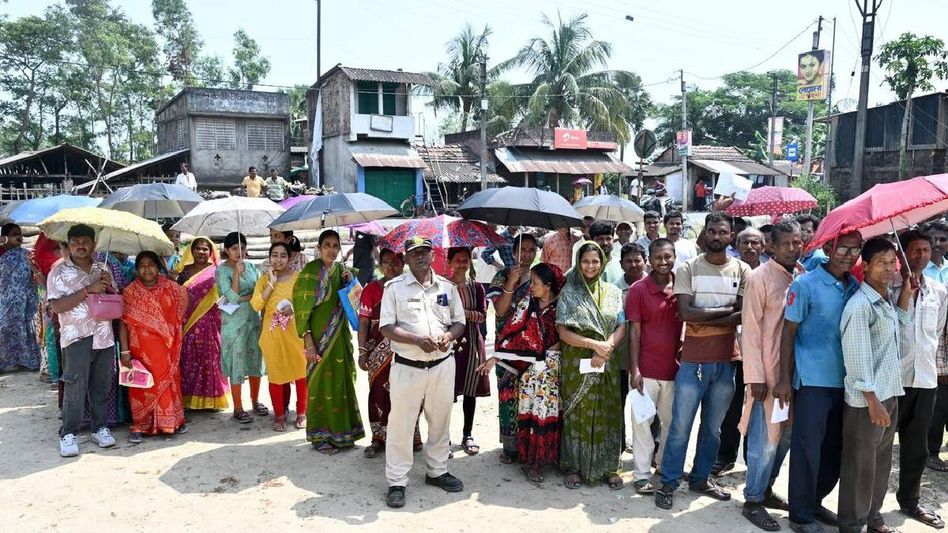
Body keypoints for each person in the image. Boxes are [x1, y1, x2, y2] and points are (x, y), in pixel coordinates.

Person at [655, 213, 750, 509]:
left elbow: (743, 314)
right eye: (712, 231)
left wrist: (706, 315)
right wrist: (725, 313)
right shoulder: (688, 268)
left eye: (722, 231)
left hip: (725, 361)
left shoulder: (742, 269)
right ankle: (668, 482)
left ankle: (700, 478)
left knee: (713, 428)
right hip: (693, 361)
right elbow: (686, 313)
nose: (717, 236)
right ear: (705, 234)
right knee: (681, 426)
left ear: (730, 235)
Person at [775, 231, 862, 532]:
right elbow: (788, 332)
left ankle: (815, 501)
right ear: (828, 248)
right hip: (812, 380)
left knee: (834, 450)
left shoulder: (854, 286)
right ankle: (799, 515)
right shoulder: (805, 284)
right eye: (843, 249)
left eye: (855, 250)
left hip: (847, 382)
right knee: (807, 449)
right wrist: (784, 379)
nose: (849, 255)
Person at [379, 236, 466, 508]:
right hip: (407, 367)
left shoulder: (448, 288)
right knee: (400, 425)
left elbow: (459, 322)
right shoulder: (394, 288)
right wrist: (416, 340)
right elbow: (386, 327)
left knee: (440, 420)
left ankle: (437, 471)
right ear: (405, 258)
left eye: (424, 252)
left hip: (442, 365)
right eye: (414, 252)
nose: (420, 256)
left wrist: (448, 337)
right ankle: (397, 481)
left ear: (432, 255)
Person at [838, 237, 913, 533]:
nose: (888, 268)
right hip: (867, 401)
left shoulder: (884, 301)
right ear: (865, 266)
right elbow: (856, 358)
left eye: (891, 262)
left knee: (881, 462)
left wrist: (906, 293)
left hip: (888, 393)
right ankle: (851, 525)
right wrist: (872, 399)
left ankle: (873, 518)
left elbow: (900, 324)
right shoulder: (859, 306)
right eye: (880, 262)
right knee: (860, 467)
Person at [737, 219, 803, 531]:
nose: (793, 248)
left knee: (785, 438)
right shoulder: (759, 278)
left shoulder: (801, 276)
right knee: (765, 441)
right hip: (767, 374)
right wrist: (756, 378)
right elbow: (749, 331)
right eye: (787, 243)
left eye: (798, 242)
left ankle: (765, 488)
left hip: (794, 375)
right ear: (771, 247)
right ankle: (752, 499)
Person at [480, 263, 565, 483]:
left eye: (535, 283)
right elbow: (515, 333)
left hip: (553, 371)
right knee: (531, 412)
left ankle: (550, 458)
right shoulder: (529, 304)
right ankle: (532, 462)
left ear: (548, 286)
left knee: (549, 413)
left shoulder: (563, 307)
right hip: (530, 371)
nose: (531, 287)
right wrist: (498, 355)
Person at [556, 242, 627, 489]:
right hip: (577, 363)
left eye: (595, 261)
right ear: (578, 262)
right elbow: (563, 331)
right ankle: (573, 466)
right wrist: (592, 345)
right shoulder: (569, 292)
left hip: (607, 362)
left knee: (608, 413)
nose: (590, 266)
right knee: (576, 413)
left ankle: (608, 466)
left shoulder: (613, 292)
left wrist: (606, 348)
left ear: (603, 263)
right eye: (585, 261)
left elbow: (621, 326)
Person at [893, 230, 947, 529]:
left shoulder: (939, 291)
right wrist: (905, 292)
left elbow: (936, 334)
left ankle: (910, 500)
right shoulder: (888, 286)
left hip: (926, 379)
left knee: (917, 447)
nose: (922, 256)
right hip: (895, 379)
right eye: (914, 250)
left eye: (926, 250)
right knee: (883, 444)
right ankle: (870, 504)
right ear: (902, 253)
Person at [47, 224, 117, 457]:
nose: (80, 245)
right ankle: (69, 433)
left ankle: (100, 428)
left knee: (101, 385)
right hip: (76, 336)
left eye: (85, 240)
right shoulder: (58, 271)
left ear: (93, 244)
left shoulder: (102, 267)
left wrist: (108, 285)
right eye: (75, 241)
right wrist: (88, 289)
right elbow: (56, 307)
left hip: (104, 336)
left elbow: (115, 301)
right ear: (69, 244)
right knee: (74, 386)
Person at [293, 229, 365, 453]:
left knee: (341, 382)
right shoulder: (310, 272)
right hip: (317, 336)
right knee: (319, 382)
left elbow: (357, 298)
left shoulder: (343, 270)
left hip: (339, 335)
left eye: (335, 246)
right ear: (319, 248)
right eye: (327, 245)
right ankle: (320, 436)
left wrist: (350, 281)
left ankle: (344, 432)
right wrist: (308, 341)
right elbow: (301, 308)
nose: (331, 250)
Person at [627, 238, 682, 494]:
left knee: (672, 424)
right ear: (649, 259)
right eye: (658, 257)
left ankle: (663, 466)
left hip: (675, 370)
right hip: (646, 370)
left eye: (668, 257)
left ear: (674, 257)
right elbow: (634, 332)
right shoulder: (638, 289)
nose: (663, 262)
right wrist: (634, 369)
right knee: (642, 424)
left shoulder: (682, 288)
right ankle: (640, 474)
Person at [118, 251, 189, 443]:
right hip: (139, 351)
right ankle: (140, 424)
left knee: (168, 382)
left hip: (167, 348)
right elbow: (123, 323)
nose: (147, 268)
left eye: (151, 264)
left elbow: (184, 301)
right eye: (142, 265)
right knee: (141, 386)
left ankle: (173, 421)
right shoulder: (130, 292)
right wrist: (124, 351)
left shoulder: (171, 289)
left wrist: (172, 331)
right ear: (136, 269)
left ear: (158, 267)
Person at [358, 249, 422, 457]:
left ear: (403, 263)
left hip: (405, 348)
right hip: (376, 349)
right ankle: (378, 438)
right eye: (386, 262)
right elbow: (364, 321)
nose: (391, 267)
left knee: (407, 392)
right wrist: (362, 351)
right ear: (379, 265)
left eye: (396, 262)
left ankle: (410, 435)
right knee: (378, 390)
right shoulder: (371, 289)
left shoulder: (409, 287)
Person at [487, 233, 538, 463]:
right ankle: (510, 447)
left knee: (533, 396)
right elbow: (499, 310)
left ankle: (530, 445)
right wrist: (511, 282)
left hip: (533, 348)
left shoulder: (540, 276)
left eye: (530, 250)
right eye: (522, 250)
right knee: (508, 396)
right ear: (513, 252)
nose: (526, 255)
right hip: (506, 349)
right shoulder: (502, 276)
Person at [251, 242, 308, 432]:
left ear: (289, 258)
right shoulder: (263, 280)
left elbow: (305, 303)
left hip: (294, 333)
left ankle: (301, 413)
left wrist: (293, 308)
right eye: (274, 255)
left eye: (283, 255)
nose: (278, 259)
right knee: (276, 375)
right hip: (272, 335)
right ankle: (279, 416)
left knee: (300, 373)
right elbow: (256, 305)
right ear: (269, 258)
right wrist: (270, 284)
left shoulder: (297, 278)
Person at [216, 232, 265, 424]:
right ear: (227, 250)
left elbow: (259, 292)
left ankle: (256, 401)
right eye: (235, 248)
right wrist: (236, 273)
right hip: (233, 322)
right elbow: (231, 296)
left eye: (242, 248)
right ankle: (237, 407)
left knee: (255, 359)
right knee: (237, 361)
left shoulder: (253, 267)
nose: (239, 252)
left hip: (253, 319)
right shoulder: (221, 271)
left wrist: (249, 297)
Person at [446, 247, 490, 455]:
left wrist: (461, 313)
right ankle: (443, 438)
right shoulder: (443, 287)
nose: (462, 264)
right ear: (450, 262)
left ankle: (467, 434)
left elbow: (482, 316)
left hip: (472, 343)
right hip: (448, 344)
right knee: (445, 393)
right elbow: (440, 314)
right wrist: (461, 315)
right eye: (458, 260)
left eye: (465, 260)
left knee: (470, 391)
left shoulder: (477, 288)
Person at [177, 237, 229, 410]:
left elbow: (224, 295)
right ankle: (189, 399)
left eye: (205, 249)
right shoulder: (183, 272)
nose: (201, 252)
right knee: (188, 358)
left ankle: (211, 400)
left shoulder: (217, 271)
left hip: (211, 322)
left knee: (211, 357)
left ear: (211, 251)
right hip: (188, 323)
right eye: (197, 248)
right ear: (191, 251)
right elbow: (178, 297)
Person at [614, 242, 648, 448]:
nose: (634, 264)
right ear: (621, 264)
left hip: (647, 356)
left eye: (638, 260)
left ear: (645, 261)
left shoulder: (655, 285)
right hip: (619, 356)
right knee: (618, 402)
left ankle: (647, 446)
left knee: (646, 403)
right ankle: (619, 442)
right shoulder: (614, 290)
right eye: (629, 261)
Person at [0, 223, 40, 371]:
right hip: (6, 300)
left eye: (20, 234)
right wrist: (6, 241)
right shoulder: (1, 252)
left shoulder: (26, 254)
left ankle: (28, 362)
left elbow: (35, 273)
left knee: (29, 329)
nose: (19, 237)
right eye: (14, 234)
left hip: (27, 300)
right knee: (5, 328)